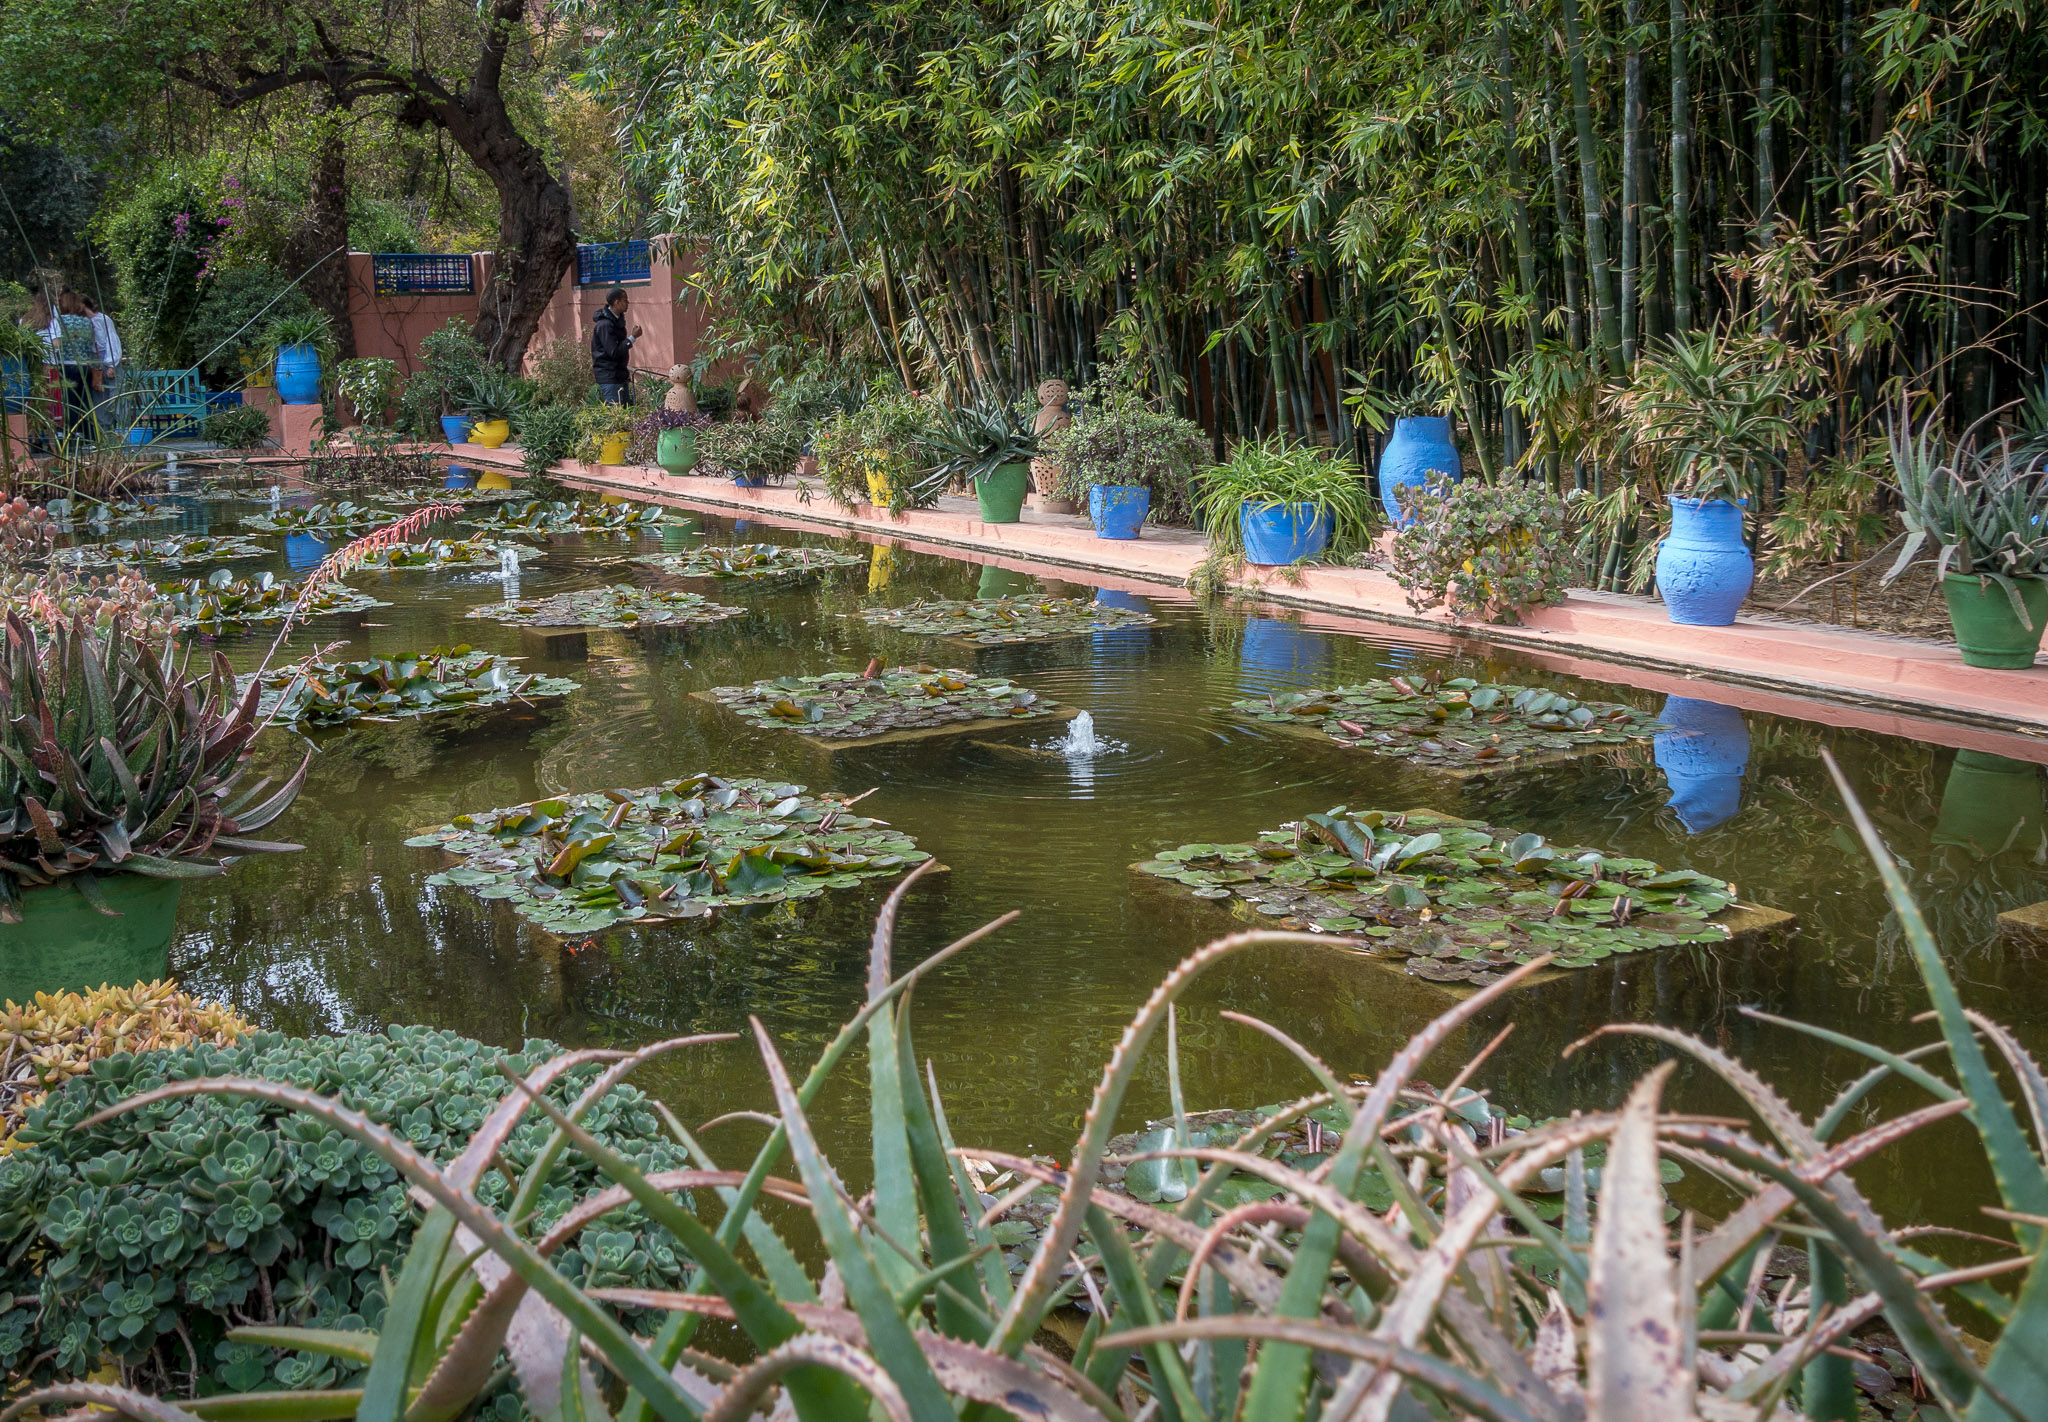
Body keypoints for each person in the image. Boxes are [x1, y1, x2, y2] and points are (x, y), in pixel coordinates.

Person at [46, 289, 104, 437]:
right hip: (85, 366)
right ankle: (90, 437)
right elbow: (92, 344)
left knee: (70, 404)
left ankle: (71, 436)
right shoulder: (86, 322)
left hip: (67, 366)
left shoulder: (59, 321)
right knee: (86, 404)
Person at [590, 287, 641, 404]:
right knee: (615, 413)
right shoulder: (605, 325)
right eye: (625, 300)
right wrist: (632, 338)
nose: (627, 303)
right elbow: (613, 352)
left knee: (626, 412)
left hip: (619, 375)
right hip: (609, 377)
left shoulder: (617, 321)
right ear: (616, 302)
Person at [81, 293, 123, 433]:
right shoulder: (83, 322)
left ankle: (123, 429)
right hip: (94, 362)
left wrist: (111, 364)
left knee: (116, 395)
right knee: (99, 398)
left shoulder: (103, 319)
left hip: (107, 358)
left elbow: (111, 339)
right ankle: (103, 432)